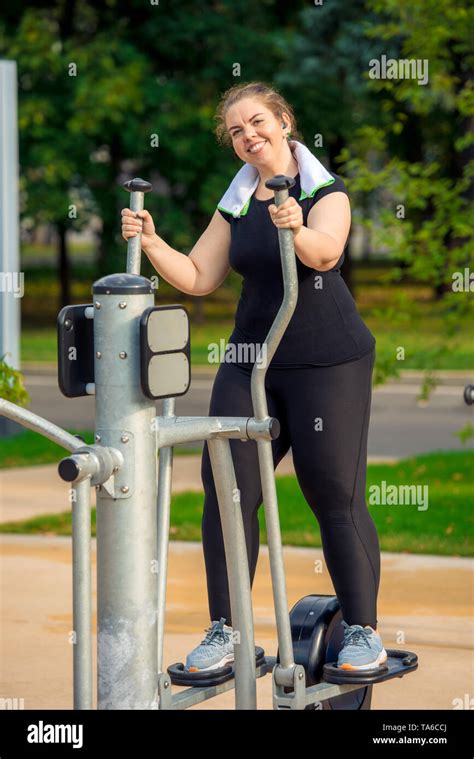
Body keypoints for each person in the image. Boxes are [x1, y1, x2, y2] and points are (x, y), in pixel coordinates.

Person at [121, 81, 387, 674]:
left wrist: (294, 224)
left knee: (332, 494)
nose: (249, 136)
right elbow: (196, 276)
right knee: (227, 490)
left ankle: (364, 631)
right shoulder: (236, 201)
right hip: (251, 360)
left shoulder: (323, 191)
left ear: (284, 121)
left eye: (258, 122)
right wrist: (152, 238)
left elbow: (325, 254)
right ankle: (229, 631)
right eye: (237, 131)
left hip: (328, 361)